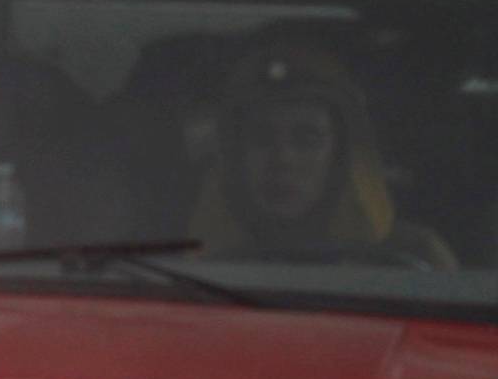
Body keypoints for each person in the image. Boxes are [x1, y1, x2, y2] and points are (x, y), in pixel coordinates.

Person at [192, 42, 454, 270]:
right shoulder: (184, 265)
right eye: (261, 139)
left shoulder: (417, 258)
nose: (283, 159)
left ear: (340, 158)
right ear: (236, 157)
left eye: (307, 140)